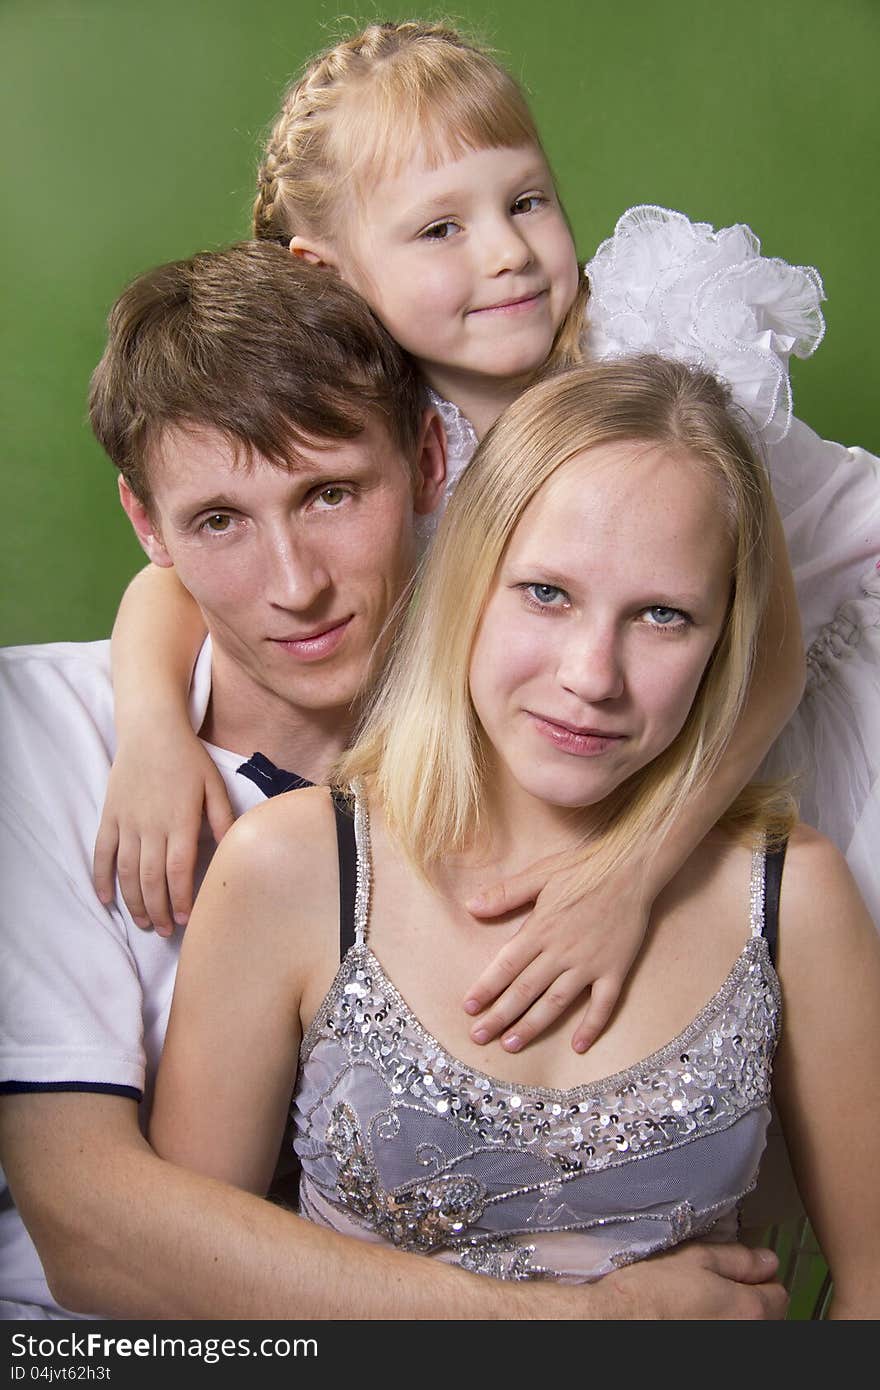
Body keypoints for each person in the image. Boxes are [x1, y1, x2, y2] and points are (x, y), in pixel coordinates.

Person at [0, 244, 783, 1321]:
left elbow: (753, 591)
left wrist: (641, 865)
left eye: (330, 495)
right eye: (218, 522)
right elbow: (92, 1234)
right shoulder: (34, 735)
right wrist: (586, 1328)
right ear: (149, 530)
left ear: (427, 460)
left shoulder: (542, 716)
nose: (295, 587)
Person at [99, 20, 878, 1062]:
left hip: (818, 650)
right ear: (326, 269)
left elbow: (769, 645)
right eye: (440, 230)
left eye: (524, 201)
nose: (507, 251)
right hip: (660, 675)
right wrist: (151, 725)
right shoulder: (386, 427)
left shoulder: (650, 359)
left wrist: (630, 876)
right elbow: (182, 577)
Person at [150, 356, 880, 1314]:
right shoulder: (296, 869)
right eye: (546, 594)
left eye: (663, 616)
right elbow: (178, 1297)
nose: (592, 675)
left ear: (721, 638)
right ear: (469, 580)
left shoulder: (793, 896)